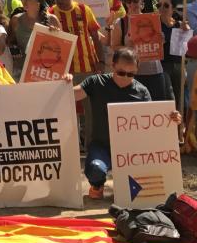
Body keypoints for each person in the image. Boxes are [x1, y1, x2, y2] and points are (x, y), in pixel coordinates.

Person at [72, 47, 181, 200]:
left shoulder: (142, 91)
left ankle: (128, 185)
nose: (125, 78)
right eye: (121, 72)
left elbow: (153, 122)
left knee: (144, 184)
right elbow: (71, 95)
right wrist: (63, 81)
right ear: (113, 64)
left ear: (137, 70)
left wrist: (172, 118)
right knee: (95, 169)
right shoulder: (96, 82)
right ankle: (97, 185)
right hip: (101, 145)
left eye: (131, 74)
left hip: (132, 151)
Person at [109, 0, 171, 101]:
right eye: (129, 1)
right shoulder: (120, 23)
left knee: (157, 108)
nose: (133, 4)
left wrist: (161, 40)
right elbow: (114, 47)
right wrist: (129, 48)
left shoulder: (152, 19)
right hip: (133, 74)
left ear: (142, 1)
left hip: (155, 72)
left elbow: (159, 44)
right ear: (125, 3)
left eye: (136, 0)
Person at [50, 0, 104, 80]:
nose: (60, 1)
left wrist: (101, 62)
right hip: (63, 71)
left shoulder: (84, 9)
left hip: (88, 67)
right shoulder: (50, 12)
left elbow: (96, 38)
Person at [8, 0, 61, 79]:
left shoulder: (52, 20)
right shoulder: (16, 20)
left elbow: (62, 50)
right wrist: (15, 50)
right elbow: (10, 42)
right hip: (21, 73)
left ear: (39, 1)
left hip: (45, 74)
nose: (24, 1)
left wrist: (55, 36)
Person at [158, 0, 190, 98]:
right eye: (159, 5)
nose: (162, 8)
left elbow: (185, 48)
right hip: (162, 65)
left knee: (180, 94)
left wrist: (186, 32)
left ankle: (180, 114)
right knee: (169, 94)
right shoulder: (154, 25)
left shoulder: (180, 24)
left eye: (166, 5)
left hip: (178, 64)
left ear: (173, 9)